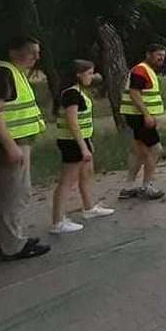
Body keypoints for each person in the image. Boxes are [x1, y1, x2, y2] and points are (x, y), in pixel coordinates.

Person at [0, 36, 51, 261]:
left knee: (6, 195)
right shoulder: (3, 74)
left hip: (16, 141)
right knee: (15, 195)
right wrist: (10, 146)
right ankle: (12, 246)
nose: (36, 57)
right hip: (9, 144)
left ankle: (5, 241)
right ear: (13, 52)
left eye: (37, 53)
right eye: (31, 52)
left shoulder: (13, 72)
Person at [50, 60, 115, 234]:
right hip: (71, 142)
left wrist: (87, 143)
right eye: (89, 73)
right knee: (67, 181)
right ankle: (58, 221)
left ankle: (89, 207)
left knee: (86, 174)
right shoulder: (71, 94)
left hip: (81, 140)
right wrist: (82, 147)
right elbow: (72, 122)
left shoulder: (79, 92)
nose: (92, 77)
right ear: (78, 74)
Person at [119, 44, 166, 200]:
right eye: (158, 54)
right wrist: (146, 114)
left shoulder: (146, 70)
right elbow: (134, 93)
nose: (161, 58)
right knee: (156, 149)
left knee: (139, 151)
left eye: (163, 55)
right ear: (148, 54)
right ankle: (147, 186)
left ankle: (128, 187)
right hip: (138, 116)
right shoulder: (141, 70)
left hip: (136, 115)